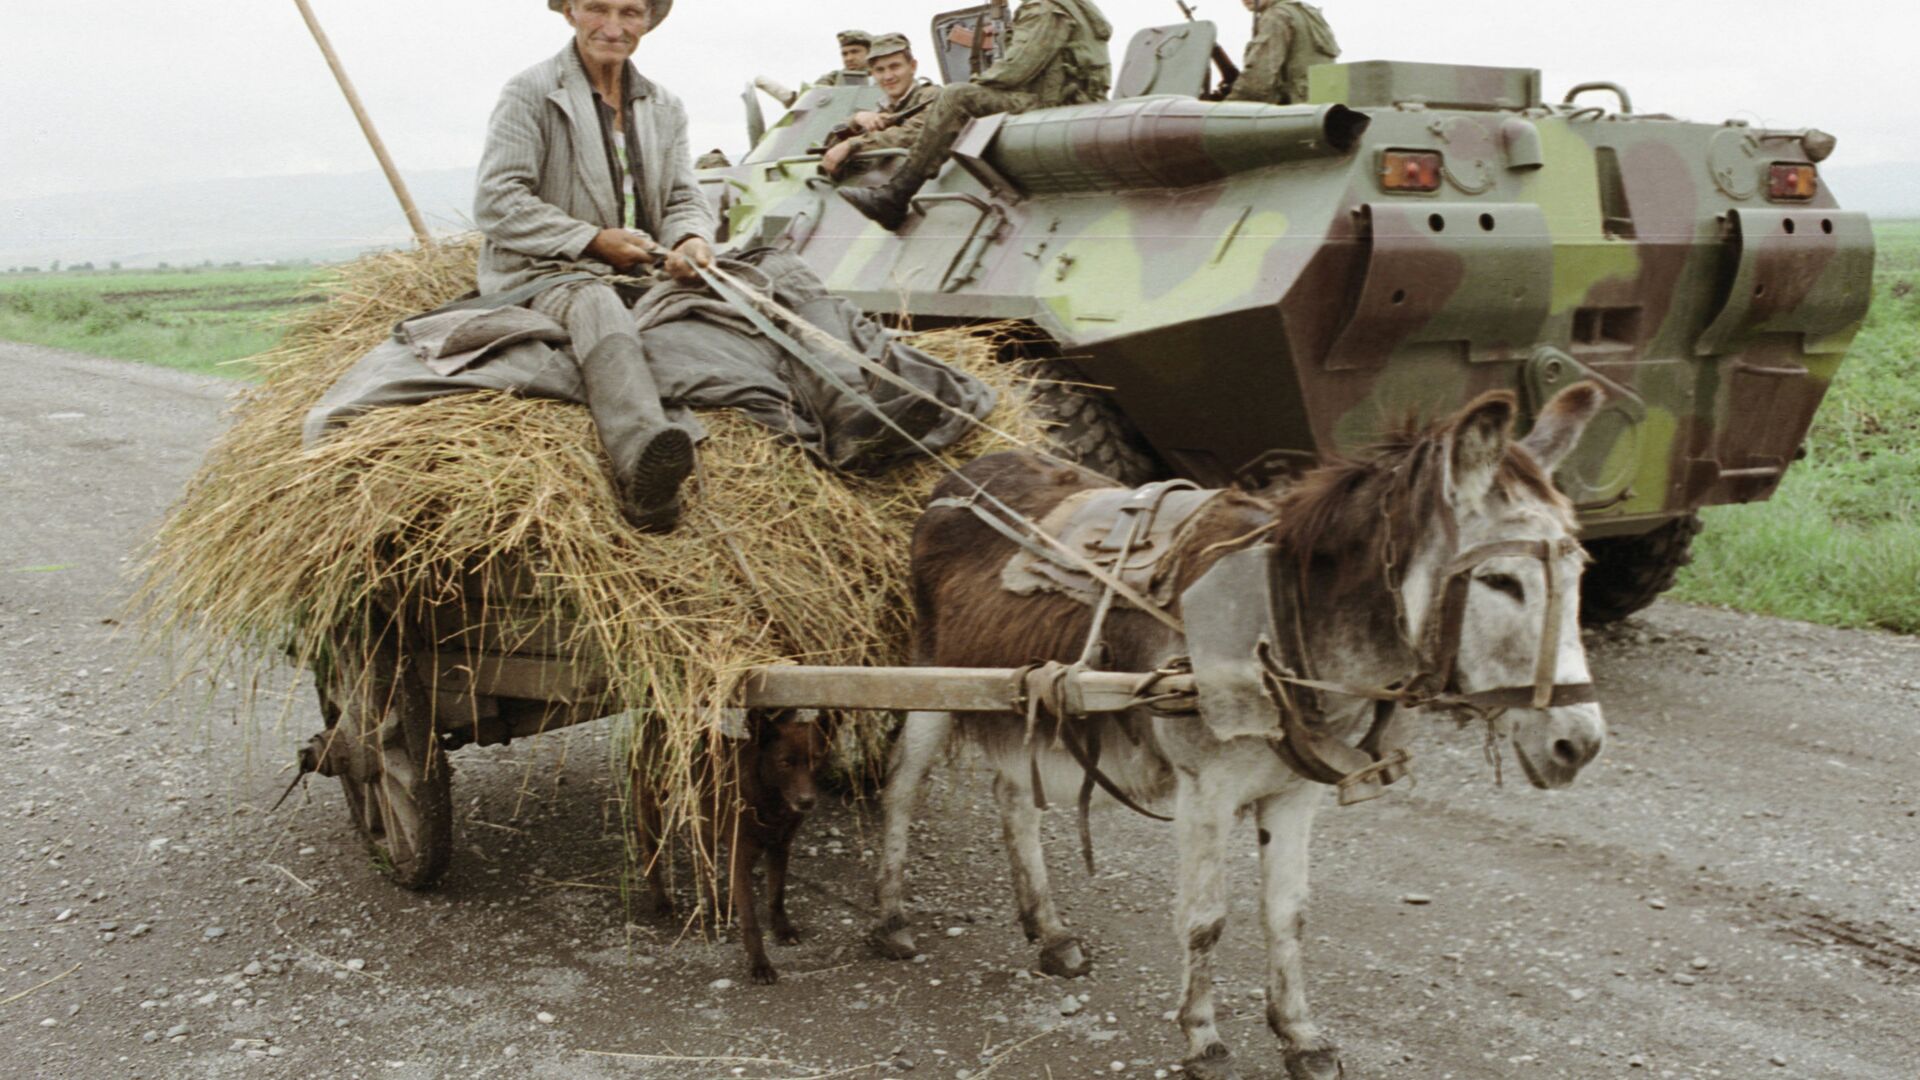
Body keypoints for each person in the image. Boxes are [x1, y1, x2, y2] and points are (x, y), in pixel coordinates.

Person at [474, 0, 715, 533]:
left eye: (630, 12)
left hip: (641, 268)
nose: (613, 27)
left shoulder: (664, 105)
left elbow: (682, 196)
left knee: (768, 274)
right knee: (595, 303)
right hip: (551, 268)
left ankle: (858, 410)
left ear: (648, 21)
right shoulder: (530, 92)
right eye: (596, 8)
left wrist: (690, 239)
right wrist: (589, 241)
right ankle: (642, 462)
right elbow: (497, 200)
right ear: (570, 13)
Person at [839, 0, 1112, 230]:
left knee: (956, 96)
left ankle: (894, 197)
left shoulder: (1043, 8)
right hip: (1065, 101)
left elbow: (1017, 68)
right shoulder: (1070, 7)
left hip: (1051, 104)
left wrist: (972, 89)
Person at [820, 33, 942, 180]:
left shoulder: (933, 97)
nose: (888, 76)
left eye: (895, 67)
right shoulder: (879, 110)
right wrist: (855, 120)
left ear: (912, 66)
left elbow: (913, 133)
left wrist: (853, 145)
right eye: (880, 70)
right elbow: (829, 149)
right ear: (872, 73)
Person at [1224, 0, 1340, 106]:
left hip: (1295, 111)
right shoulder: (1307, 12)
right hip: (1321, 107)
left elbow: (1259, 77)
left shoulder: (1276, 16)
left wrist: (1228, 106)